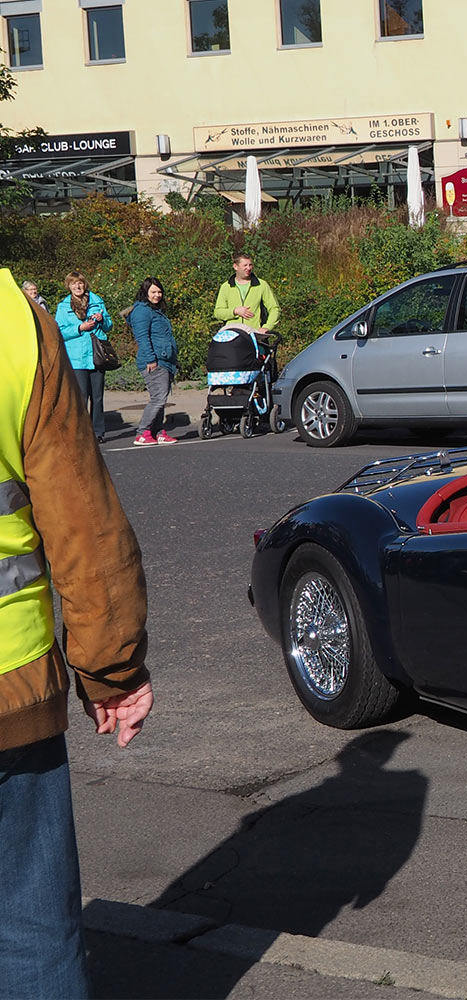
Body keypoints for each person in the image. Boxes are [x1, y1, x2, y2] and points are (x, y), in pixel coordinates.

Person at [0, 267, 153, 998]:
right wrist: (111, 670)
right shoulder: (15, 324)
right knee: (31, 933)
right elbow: (81, 524)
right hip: (10, 691)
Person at [53, 271, 113, 443]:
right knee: (80, 396)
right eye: (73, 284)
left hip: (97, 355)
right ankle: (80, 432)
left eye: (80, 283)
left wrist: (102, 320)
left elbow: (109, 326)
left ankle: (98, 432)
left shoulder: (97, 301)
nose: (77, 287)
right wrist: (80, 328)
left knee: (97, 396)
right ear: (69, 286)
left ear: (84, 284)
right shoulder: (63, 307)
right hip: (77, 358)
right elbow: (59, 332)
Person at [130, 277, 180, 446]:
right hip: (153, 360)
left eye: (159, 291)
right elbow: (142, 337)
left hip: (164, 359)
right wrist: (151, 359)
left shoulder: (156, 310)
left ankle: (158, 431)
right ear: (145, 292)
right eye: (153, 292)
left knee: (160, 398)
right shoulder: (142, 311)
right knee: (158, 398)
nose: (157, 295)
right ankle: (143, 432)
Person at [213, 251, 281, 331]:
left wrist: (267, 327)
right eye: (245, 265)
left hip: (255, 335)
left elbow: (274, 308)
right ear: (235, 266)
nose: (248, 268)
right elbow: (218, 313)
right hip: (232, 336)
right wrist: (235, 311)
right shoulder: (226, 287)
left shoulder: (261, 285)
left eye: (250, 265)